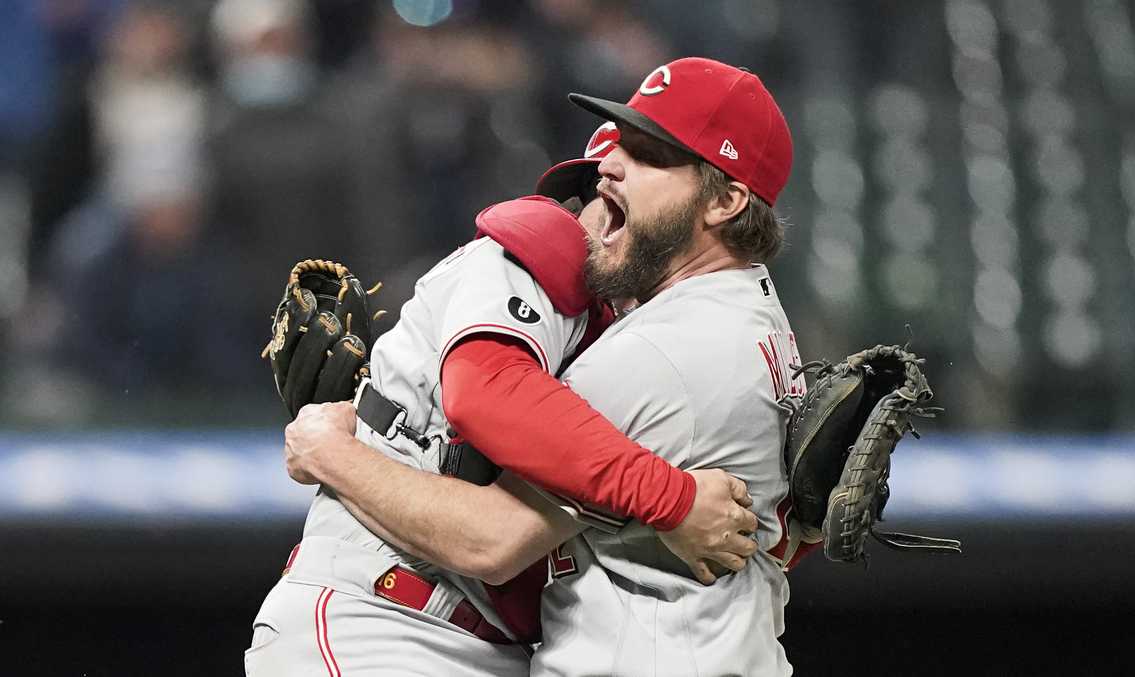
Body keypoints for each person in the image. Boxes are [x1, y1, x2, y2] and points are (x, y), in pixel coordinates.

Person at [285, 56, 809, 676]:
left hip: (484, 633)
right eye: (587, 183)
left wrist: (330, 452)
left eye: (645, 156)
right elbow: (486, 397)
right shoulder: (531, 268)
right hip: (381, 617)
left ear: (725, 201)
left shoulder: (656, 344)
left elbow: (497, 531)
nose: (605, 179)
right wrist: (681, 502)